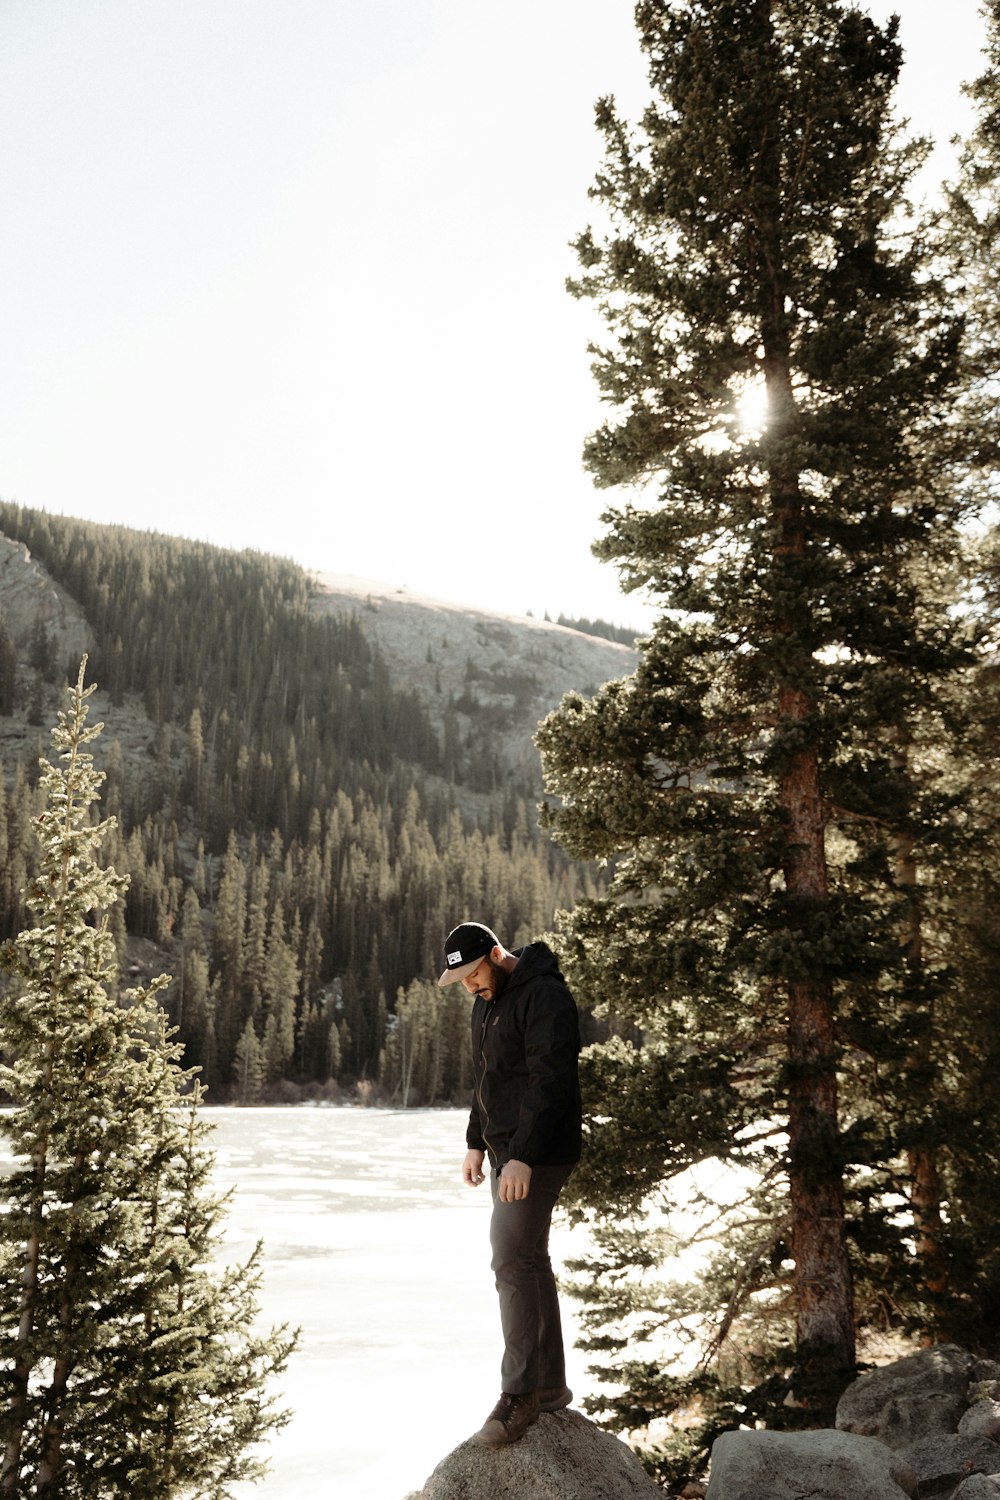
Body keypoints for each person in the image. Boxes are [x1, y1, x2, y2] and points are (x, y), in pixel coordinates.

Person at [437, 920, 582, 1448]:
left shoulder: (545, 996)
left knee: (509, 1258)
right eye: (464, 982)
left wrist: (521, 1156)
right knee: (528, 1259)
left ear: (496, 955)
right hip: (507, 1152)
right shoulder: (487, 1002)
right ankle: (546, 1386)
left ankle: (520, 1395)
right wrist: (477, 1140)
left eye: (474, 976)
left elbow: (552, 1081)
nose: (470, 988)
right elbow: (487, 1079)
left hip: (539, 1153)